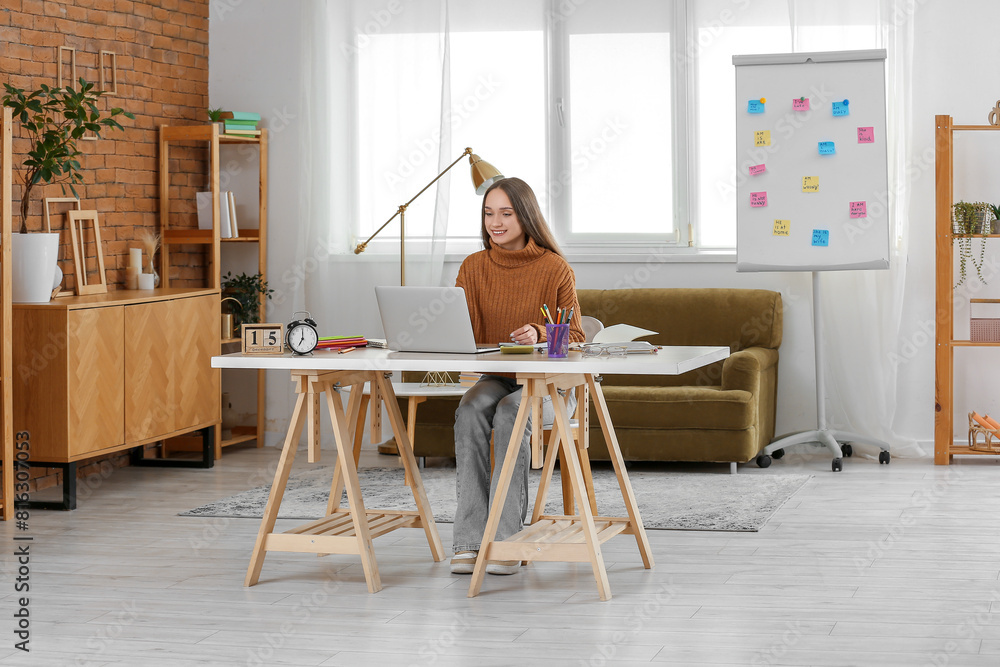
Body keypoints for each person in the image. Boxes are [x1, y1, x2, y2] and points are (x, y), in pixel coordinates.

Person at [450, 177, 584, 576]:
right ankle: (470, 542)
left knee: (511, 412)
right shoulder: (473, 267)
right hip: (497, 376)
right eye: (489, 213)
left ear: (525, 215)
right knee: (471, 408)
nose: (496, 222)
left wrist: (541, 332)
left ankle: (507, 541)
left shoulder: (554, 267)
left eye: (506, 213)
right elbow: (464, 330)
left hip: (548, 387)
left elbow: (576, 334)